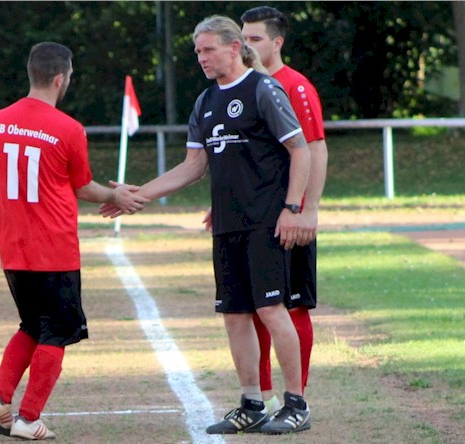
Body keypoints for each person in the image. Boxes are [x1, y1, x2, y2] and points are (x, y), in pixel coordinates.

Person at [101, 15, 311, 435]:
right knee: (234, 314)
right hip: (227, 223)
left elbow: (300, 150)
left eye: (208, 48)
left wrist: (293, 208)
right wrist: (137, 194)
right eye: (197, 51)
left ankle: (297, 404)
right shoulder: (205, 102)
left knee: (271, 308)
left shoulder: (264, 89)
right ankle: (251, 403)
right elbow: (193, 166)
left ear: (234, 48)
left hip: (266, 222)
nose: (201, 57)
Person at [0, 41, 148, 440]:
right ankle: (28, 418)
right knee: (57, 331)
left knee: (32, 324)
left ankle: (0, 398)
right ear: (59, 78)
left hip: (12, 247)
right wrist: (115, 195)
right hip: (53, 248)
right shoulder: (68, 128)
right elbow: (83, 186)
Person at [203, 5, 329, 416]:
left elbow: (312, 148)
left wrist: (306, 209)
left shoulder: (291, 86)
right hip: (251, 213)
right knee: (251, 308)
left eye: (256, 39)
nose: (248, 44)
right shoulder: (235, 89)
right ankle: (261, 397)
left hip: (284, 214)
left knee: (288, 305)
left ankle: (297, 397)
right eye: (245, 36)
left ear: (276, 43)